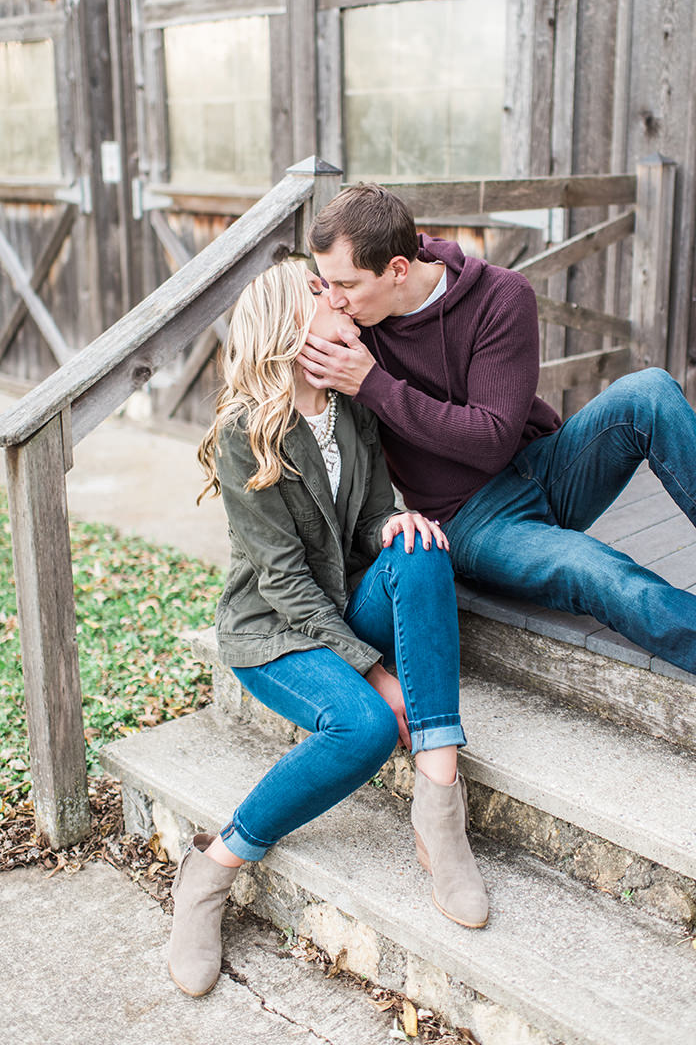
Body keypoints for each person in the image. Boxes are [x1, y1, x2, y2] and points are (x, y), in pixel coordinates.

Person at [298, 183, 696, 698]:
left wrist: (377, 387)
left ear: (397, 268)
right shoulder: (351, 328)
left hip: (544, 466)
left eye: (345, 284)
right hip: (472, 521)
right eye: (325, 283)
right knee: (596, 568)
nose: (335, 299)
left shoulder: (500, 296)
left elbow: (492, 440)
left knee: (650, 392)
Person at [169, 260, 487, 1000]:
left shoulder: (351, 407)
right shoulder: (244, 432)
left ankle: (440, 807)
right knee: (365, 726)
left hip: (342, 602)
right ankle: (214, 867)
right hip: (272, 631)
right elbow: (280, 581)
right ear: (287, 321)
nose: (337, 297)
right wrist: (376, 672)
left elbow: (374, 511)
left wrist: (394, 521)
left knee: (419, 545)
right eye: (318, 292)